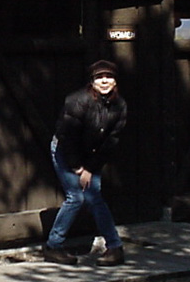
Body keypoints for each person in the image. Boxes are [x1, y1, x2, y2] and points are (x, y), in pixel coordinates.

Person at [43, 60, 128, 266]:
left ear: (115, 81)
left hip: (91, 155)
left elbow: (111, 142)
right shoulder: (77, 101)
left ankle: (115, 247)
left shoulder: (119, 105)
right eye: (99, 78)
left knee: (95, 198)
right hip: (65, 151)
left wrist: (90, 168)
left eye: (109, 77)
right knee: (76, 197)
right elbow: (67, 137)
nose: (104, 81)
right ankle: (53, 246)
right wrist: (78, 168)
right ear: (92, 82)